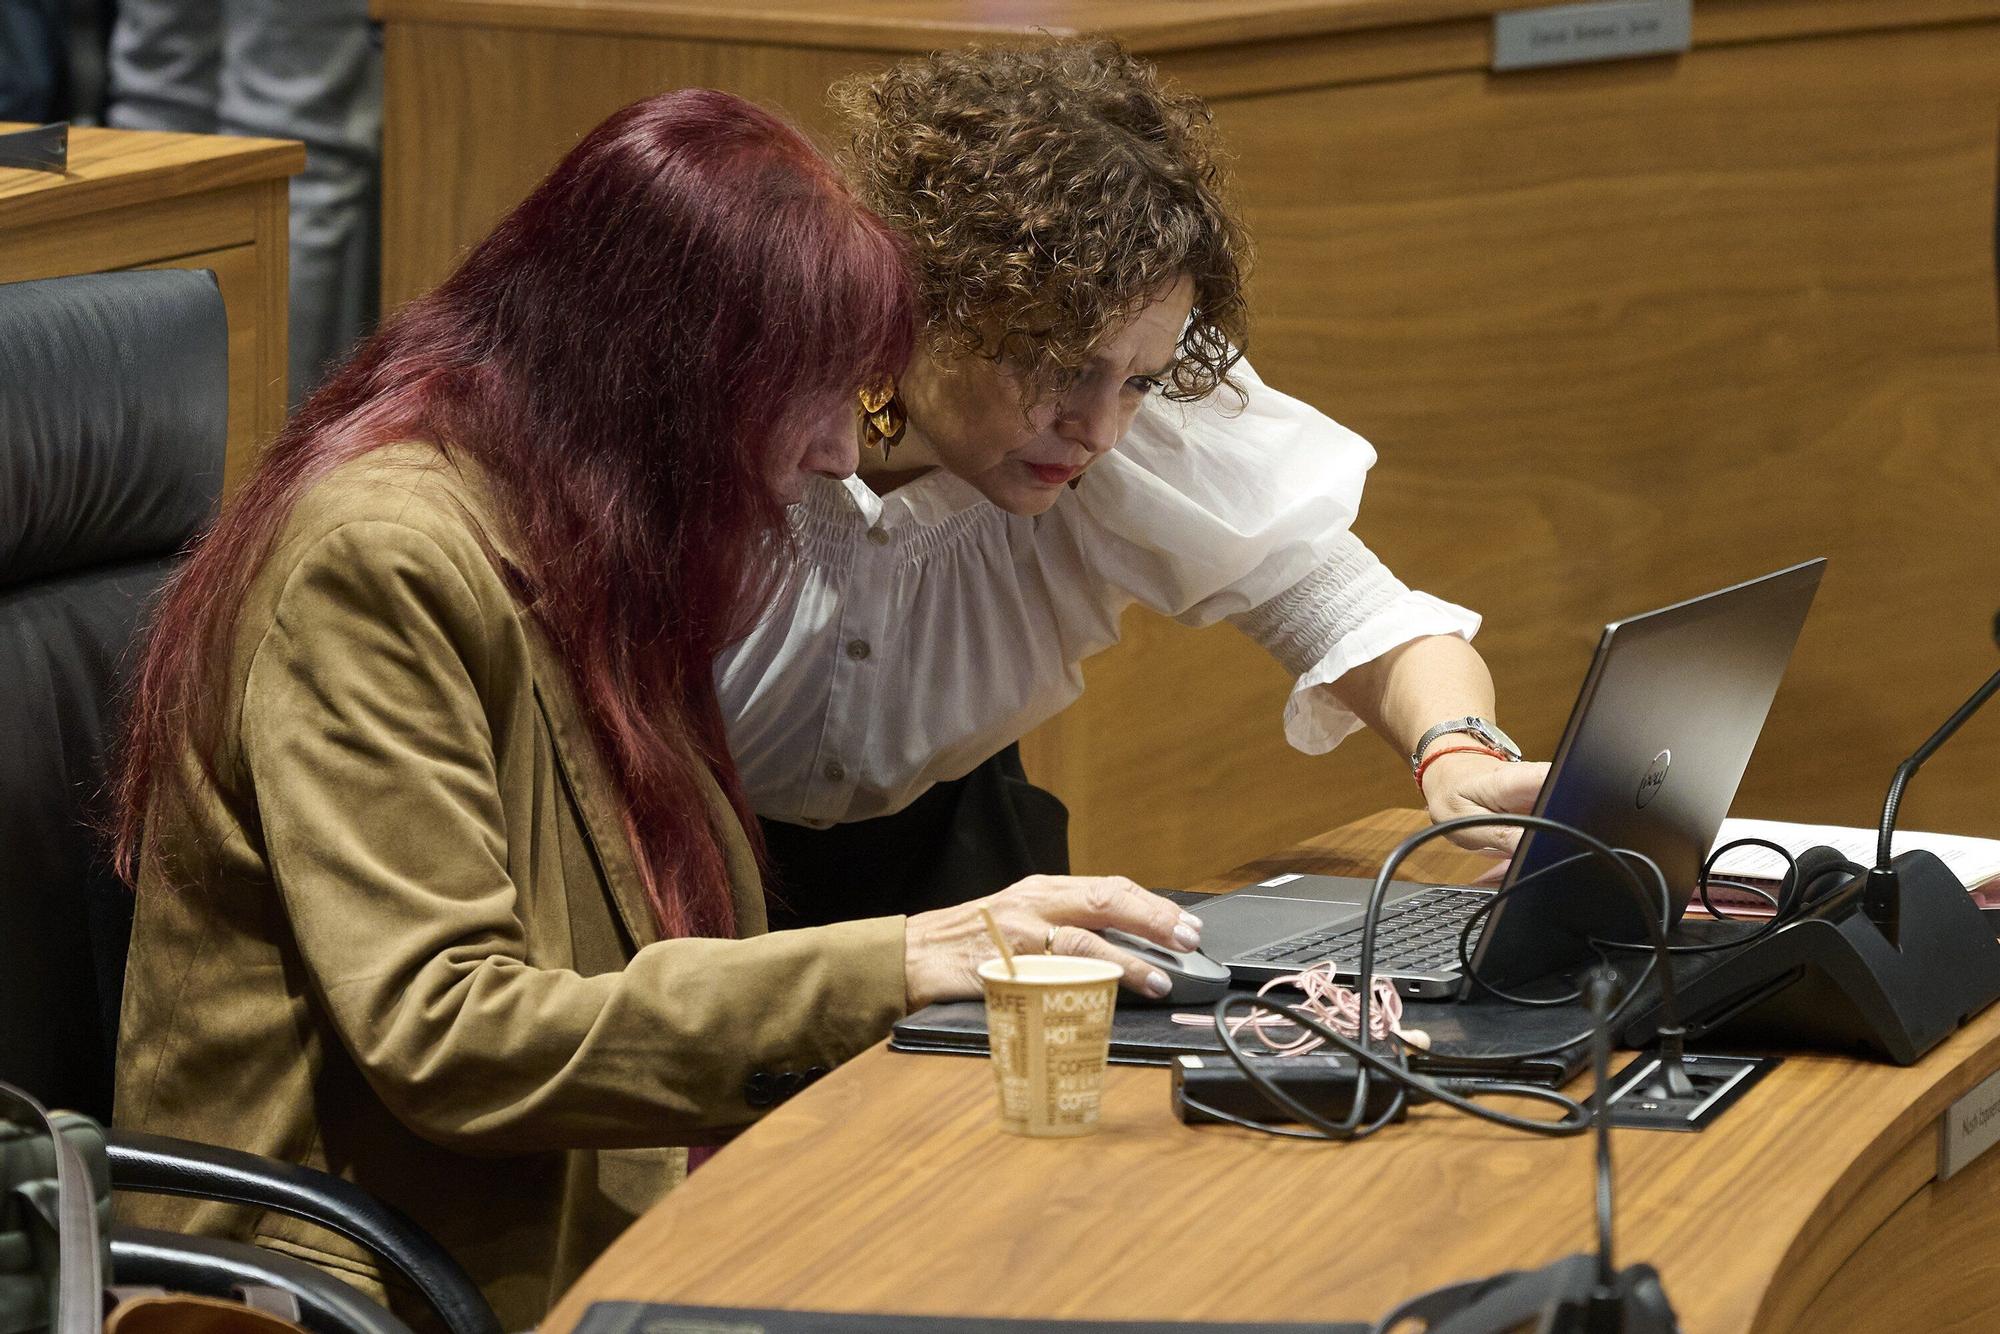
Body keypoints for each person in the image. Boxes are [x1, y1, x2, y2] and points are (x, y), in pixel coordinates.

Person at [108, 89, 1199, 1330]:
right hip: (355, 1283)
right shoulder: (381, 560)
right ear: (671, 374)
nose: (847, 455)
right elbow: (448, 1031)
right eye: (810, 394)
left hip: (593, 1217)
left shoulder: (609, 532)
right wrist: (900, 960)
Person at [728, 40, 1550, 930]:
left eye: (1139, 381)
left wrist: (1456, 754)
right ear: (926, 300)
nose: (1099, 429)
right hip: (686, 876)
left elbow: (1352, 609)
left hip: (967, 859)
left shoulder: (1115, 425)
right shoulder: (754, 406)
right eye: (1055, 367)